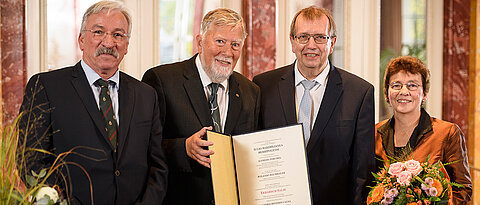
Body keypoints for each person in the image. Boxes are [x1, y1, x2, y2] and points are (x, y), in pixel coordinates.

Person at [19, 1, 168, 204]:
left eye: (118, 35)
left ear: (127, 45)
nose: (108, 43)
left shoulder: (146, 95)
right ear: (81, 39)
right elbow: (30, 161)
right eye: (98, 32)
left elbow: (158, 166)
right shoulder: (45, 87)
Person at [253, 6, 375, 205]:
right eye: (303, 37)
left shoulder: (359, 93)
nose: (311, 45)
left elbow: (362, 172)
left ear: (332, 43)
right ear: (292, 42)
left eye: (320, 37)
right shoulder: (263, 86)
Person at [142, 8, 260, 205]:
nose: (227, 52)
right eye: (220, 41)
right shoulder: (162, 80)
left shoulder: (251, 91)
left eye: (235, 44)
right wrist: (184, 148)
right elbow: (141, 148)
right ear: (200, 41)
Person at [375, 56, 472, 204]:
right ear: (387, 93)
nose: (403, 91)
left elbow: (462, 190)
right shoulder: (373, 134)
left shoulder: (447, 133)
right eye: (396, 85)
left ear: (424, 94)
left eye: (412, 85)